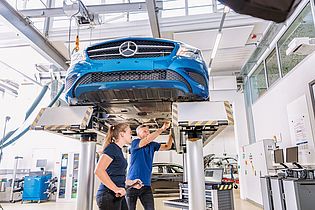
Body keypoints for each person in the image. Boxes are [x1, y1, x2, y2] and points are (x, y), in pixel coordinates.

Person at [95, 123, 142, 210]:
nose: (131, 135)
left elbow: (116, 175)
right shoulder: (111, 148)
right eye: (130, 132)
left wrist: (131, 183)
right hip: (108, 195)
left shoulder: (118, 150)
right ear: (122, 134)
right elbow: (99, 170)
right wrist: (116, 189)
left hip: (118, 195)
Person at [126, 122, 172, 210]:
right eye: (144, 131)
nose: (147, 133)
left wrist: (171, 135)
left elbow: (167, 146)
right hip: (132, 184)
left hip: (146, 185)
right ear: (138, 134)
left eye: (148, 131)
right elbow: (147, 140)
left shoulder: (152, 145)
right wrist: (162, 129)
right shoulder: (135, 143)